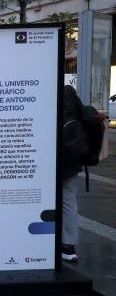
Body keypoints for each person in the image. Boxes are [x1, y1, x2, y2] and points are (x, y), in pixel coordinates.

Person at [61, 85, 84, 261]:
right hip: (73, 162)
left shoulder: (55, 95)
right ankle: (69, 246)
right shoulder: (73, 98)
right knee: (69, 201)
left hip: (59, 161)